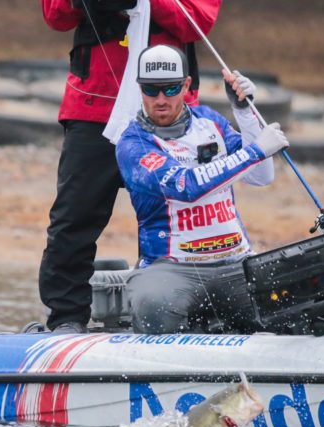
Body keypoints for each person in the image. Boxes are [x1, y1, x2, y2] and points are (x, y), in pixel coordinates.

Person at [39, 0, 221, 334]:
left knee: (179, 221)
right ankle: (66, 319)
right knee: (74, 217)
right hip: (94, 107)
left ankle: (182, 317)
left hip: (168, 110)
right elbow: (55, 14)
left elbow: (198, 20)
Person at [116, 44, 289, 334]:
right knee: (151, 304)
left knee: (291, 299)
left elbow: (261, 176)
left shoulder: (210, 121)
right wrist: (256, 151)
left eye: (171, 89)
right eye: (151, 90)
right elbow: (185, 186)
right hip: (172, 269)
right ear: (140, 88)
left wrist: (245, 113)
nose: (161, 99)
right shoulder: (132, 144)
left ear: (186, 85)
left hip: (235, 262)